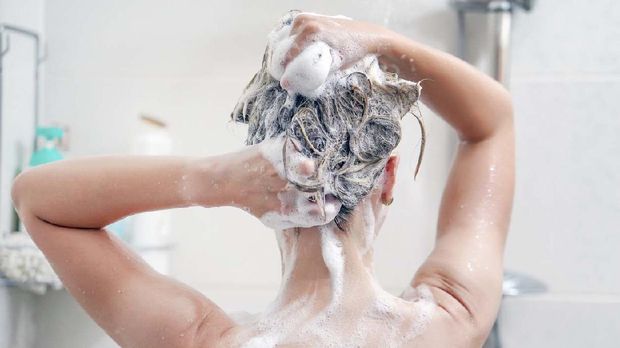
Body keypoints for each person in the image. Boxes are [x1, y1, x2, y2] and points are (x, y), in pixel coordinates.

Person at [11, 12, 514, 348]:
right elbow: (492, 124)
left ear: (260, 179)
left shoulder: (202, 338)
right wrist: (376, 40)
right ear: (388, 177)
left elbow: (37, 200)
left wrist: (210, 180)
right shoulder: (448, 321)